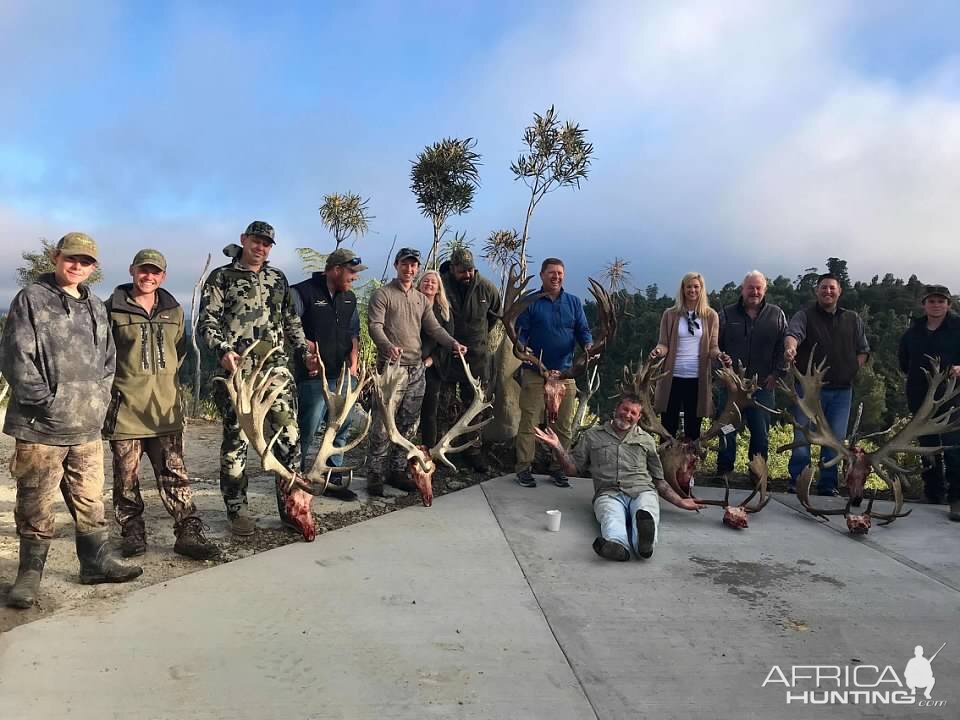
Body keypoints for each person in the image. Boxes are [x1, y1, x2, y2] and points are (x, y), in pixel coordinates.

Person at [2, 232, 142, 609]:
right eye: (71, 259)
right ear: (56, 257)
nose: (77, 266)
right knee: (35, 502)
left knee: (90, 499)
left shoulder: (96, 306)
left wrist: (97, 401)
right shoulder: (32, 298)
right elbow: (16, 356)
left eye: (85, 262)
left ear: (93, 268)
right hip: (40, 428)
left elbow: (109, 360)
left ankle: (95, 562)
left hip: (86, 427)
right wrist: (45, 403)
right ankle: (29, 574)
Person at [198, 220, 318, 537]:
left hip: (276, 371)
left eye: (266, 244)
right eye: (256, 241)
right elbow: (206, 322)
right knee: (237, 441)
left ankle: (292, 507)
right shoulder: (221, 277)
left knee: (289, 440)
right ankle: (237, 511)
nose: (260, 247)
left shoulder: (277, 279)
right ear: (244, 240)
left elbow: (291, 321)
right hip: (239, 374)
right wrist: (222, 350)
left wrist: (305, 352)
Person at [103, 249, 218, 560]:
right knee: (126, 478)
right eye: (143, 270)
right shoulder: (111, 309)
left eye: (155, 271)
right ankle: (132, 532)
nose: (148, 276)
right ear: (132, 270)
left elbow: (178, 351)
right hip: (126, 409)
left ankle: (188, 531)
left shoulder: (174, 310)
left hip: (164, 410)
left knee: (174, 473)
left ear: (163, 276)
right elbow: (101, 357)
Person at [534, 394, 704, 561]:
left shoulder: (646, 440)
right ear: (617, 409)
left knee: (645, 512)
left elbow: (659, 481)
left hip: (642, 490)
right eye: (625, 409)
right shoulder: (592, 436)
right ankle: (617, 546)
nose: (628, 415)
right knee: (611, 516)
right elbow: (573, 469)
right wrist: (557, 447)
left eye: (633, 413)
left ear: (638, 418)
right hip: (608, 493)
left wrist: (680, 501)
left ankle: (644, 545)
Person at [366, 248, 465, 496]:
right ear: (396, 265)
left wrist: (453, 343)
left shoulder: (420, 300)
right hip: (391, 370)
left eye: (414, 266)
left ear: (417, 268)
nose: (409, 270)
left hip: (416, 371)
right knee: (382, 424)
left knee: (408, 424)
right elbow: (374, 326)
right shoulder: (383, 294)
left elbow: (434, 329)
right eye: (405, 265)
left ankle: (397, 471)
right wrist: (387, 346)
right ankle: (375, 475)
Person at [783, 273, 869, 496]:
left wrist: (853, 369)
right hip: (810, 391)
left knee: (835, 439)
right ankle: (798, 481)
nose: (827, 291)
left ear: (839, 291)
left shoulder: (852, 319)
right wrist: (791, 348)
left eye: (832, 288)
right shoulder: (805, 316)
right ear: (816, 291)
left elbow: (863, 350)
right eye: (823, 288)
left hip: (842, 391)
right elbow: (793, 334)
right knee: (803, 436)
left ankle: (827, 484)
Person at [292, 248, 367, 502]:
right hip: (313, 377)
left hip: (343, 375)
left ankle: (334, 478)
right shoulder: (302, 292)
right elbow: (289, 328)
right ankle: (294, 480)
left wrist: (354, 360)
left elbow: (353, 331)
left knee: (341, 427)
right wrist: (306, 352)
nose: (354, 277)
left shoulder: (350, 298)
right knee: (307, 429)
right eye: (351, 272)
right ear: (335, 269)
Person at [514, 258, 592, 489]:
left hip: (565, 373)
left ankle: (558, 467)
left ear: (564, 276)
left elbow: (583, 331)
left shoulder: (573, 302)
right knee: (529, 421)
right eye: (551, 273)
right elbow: (520, 332)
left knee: (564, 424)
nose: (556, 277)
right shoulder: (530, 302)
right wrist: (521, 346)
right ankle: (523, 467)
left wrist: (589, 345)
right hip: (535, 370)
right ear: (542, 275)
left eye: (559, 273)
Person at [897, 284, 960, 518]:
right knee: (928, 448)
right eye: (932, 301)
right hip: (921, 399)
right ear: (924, 304)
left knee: (954, 447)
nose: (936, 305)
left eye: (941, 301)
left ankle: (957, 498)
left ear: (948, 304)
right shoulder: (913, 333)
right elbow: (904, 362)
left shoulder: (958, 328)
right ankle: (933, 492)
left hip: (954, 398)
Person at [715, 270, 787, 473]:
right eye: (750, 288)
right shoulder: (726, 314)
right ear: (742, 289)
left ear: (765, 289)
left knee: (760, 433)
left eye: (758, 288)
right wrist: (721, 362)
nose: (754, 292)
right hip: (732, 388)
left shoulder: (776, 314)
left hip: (763, 387)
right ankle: (724, 471)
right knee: (728, 428)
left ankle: (757, 473)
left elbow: (784, 348)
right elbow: (714, 346)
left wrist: (778, 374)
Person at [440, 247, 502, 472]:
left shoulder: (487, 288)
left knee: (474, 408)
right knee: (443, 405)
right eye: (461, 271)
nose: (467, 275)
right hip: (446, 357)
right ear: (453, 268)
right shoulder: (442, 285)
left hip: (476, 359)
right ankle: (443, 449)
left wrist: (478, 340)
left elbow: (494, 318)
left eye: (470, 270)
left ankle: (473, 452)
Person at [651, 272, 725, 441]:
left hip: (696, 378)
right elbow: (663, 344)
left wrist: (720, 356)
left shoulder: (711, 316)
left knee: (693, 426)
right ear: (683, 289)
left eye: (696, 287)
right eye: (689, 287)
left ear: (701, 289)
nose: (692, 290)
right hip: (672, 376)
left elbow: (713, 347)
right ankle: (665, 462)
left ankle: (689, 465)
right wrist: (658, 351)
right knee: (668, 425)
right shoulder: (670, 314)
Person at [418, 269, 455, 449]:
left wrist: (432, 360)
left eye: (433, 282)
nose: (429, 284)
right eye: (426, 281)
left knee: (429, 412)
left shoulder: (445, 311)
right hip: (410, 364)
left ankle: (428, 453)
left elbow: (448, 339)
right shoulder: (412, 304)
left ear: (439, 287)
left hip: (434, 369)